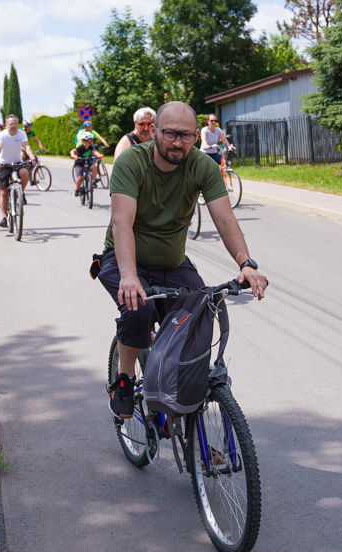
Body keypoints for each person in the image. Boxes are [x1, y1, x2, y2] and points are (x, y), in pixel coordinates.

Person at [95, 101, 268, 418]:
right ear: (154, 130)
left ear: (195, 136)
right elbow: (122, 222)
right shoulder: (132, 162)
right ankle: (124, 377)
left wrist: (245, 263)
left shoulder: (201, 166)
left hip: (173, 264)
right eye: (171, 133)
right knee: (139, 307)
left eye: (186, 135)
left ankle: (188, 420)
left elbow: (225, 219)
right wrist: (130, 276)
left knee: (200, 312)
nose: (178, 142)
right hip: (123, 260)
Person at [0, 114, 38, 228]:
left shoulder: (21, 133)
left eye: (16, 124)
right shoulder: (2, 135)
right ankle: (4, 217)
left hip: (17, 162)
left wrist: (33, 158)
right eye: (11, 124)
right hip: (4, 164)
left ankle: (20, 193)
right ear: (6, 125)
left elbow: (27, 147)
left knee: (25, 173)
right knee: (3, 192)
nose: (14, 126)